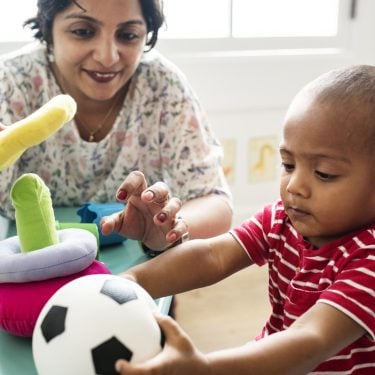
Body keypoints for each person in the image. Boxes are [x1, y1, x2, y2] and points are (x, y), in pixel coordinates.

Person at [109, 65, 375, 374]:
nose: (294, 186)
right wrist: (131, 281)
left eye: (324, 173)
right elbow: (213, 256)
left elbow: (311, 339)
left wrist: (205, 368)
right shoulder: (280, 219)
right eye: (288, 164)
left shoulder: (369, 259)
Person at [0, 0, 232, 249]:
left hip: (138, 266)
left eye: (128, 35)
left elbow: (215, 202)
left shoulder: (161, 85)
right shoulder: (11, 82)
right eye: (83, 32)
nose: (107, 57)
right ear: (48, 29)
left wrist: (170, 227)